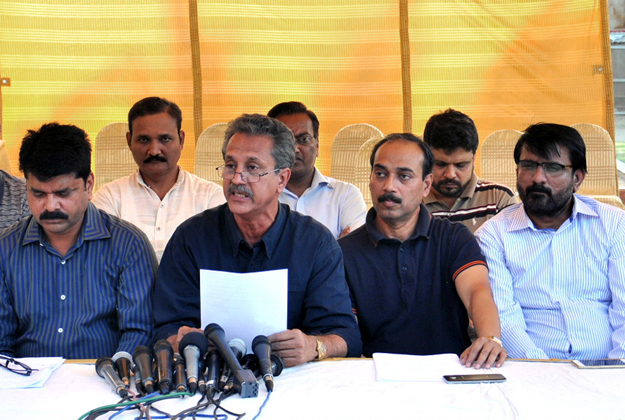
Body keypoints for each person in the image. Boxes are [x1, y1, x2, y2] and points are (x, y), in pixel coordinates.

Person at [153, 113, 361, 366]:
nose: (237, 178)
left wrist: (314, 346)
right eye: (231, 165)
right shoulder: (191, 238)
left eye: (252, 168)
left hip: (292, 383)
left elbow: (346, 335)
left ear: (282, 179)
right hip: (209, 378)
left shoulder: (315, 243)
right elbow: (164, 327)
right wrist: (177, 339)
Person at [339, 133, 506, 369]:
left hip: (452, 371)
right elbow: (347, 327)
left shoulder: (453, 238)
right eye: (380, 174)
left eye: (404, 176)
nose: (388, 186)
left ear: (426, 185)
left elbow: (476, 291)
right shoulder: (345, 252)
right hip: (377, 376)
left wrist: (490, 339)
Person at [0, 122, 157, 359]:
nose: (50, 206)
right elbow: (2, 342)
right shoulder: (5, 248)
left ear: (89, 185)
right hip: (27, 385)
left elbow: (139, 330)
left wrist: (117, 375)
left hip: (107, 384)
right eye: (38, 194)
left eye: (63, 193)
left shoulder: (128, 245)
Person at [475, 123, 625, 359]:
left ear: (577, 178)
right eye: (528, 166)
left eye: (553, 167)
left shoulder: (614, 224)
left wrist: (617, 369)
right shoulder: (493, 236)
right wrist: (543, 371)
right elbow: (503, 317)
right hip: (530, 372)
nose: (537, 178)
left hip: (608, 368)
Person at [92, 97, 225, 261]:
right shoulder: (110, 197)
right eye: (143, 140)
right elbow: (101, 261)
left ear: (181, 140)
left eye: (165, 139)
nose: (154, 150)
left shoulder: (211, 197)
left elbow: (217, 260)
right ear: (129, 141)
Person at [267, 101, 366, 238]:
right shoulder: (258, 194)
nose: (295, 149)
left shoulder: (345, 195)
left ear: (317, 145)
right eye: (286, 141)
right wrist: (334, 248)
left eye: (304, 139)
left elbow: (355, 250)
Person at [423, 109, 516, 232]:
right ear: (426, 158)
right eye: (440, 164)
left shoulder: (499, 199)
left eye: (460, 165)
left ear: (474, 157)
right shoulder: (411, 199)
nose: (450, 174)